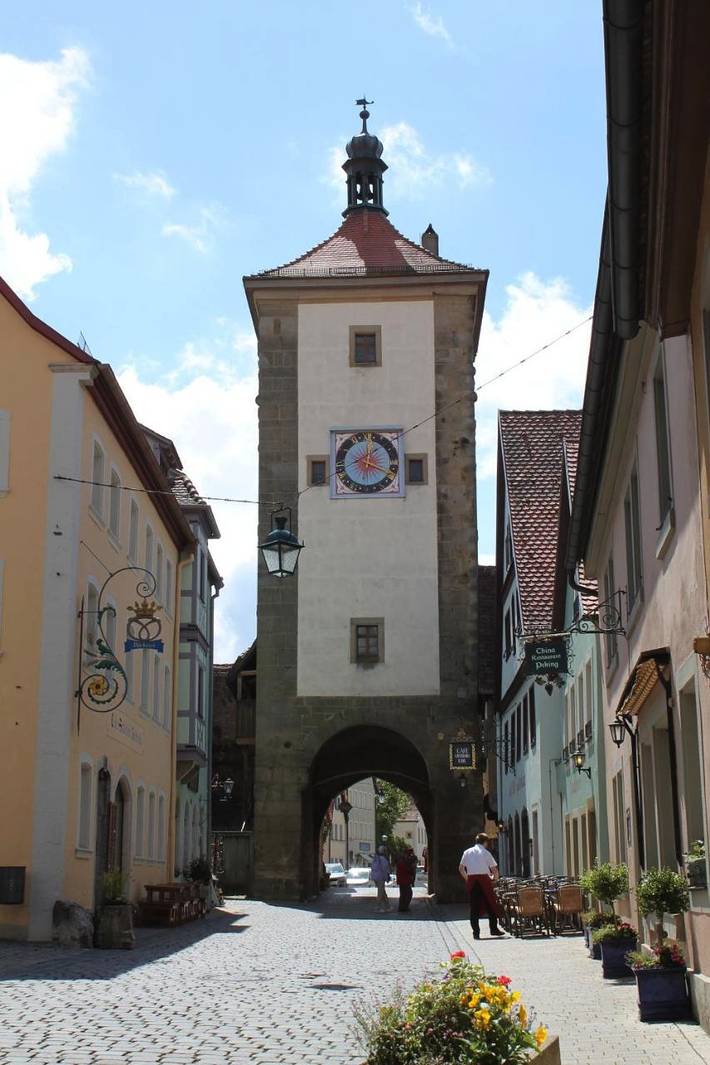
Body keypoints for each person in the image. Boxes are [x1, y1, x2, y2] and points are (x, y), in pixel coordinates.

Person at [459, 832, 504, 939]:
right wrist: (495, 880)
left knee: (474, 908)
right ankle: (493, 929)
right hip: (484, 880)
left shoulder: (467, 852)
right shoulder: (486, 853)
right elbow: (494, 870)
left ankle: (476, 932)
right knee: (491, 905)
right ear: (485, 842)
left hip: (473, 881)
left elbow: (461, 868)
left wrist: (467, 878)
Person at [396, 847, 417, 913]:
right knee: (407, 894)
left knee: (404, 894)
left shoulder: (402, 860)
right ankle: (404, 907)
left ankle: (402, 907)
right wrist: (412, 867)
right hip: (404, 879)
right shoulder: (403, 861)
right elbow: (407, 869)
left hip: (403, 879)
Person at [370, 846, 391, 912]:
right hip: (381, 877)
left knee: (383, 892)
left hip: (375, 877)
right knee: (380, 893)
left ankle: (387, 906)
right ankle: (378, 907)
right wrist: (387, 878)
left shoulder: (376, 858)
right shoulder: (384, 859)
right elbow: (385, 870)